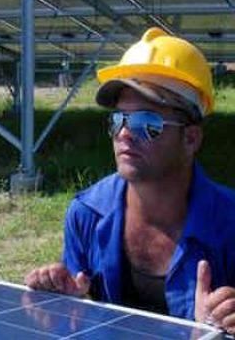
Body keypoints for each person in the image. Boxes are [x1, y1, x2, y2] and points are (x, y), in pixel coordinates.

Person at [25, 27, 235, 333]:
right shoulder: (86, 214)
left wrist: (221, 326)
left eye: (146, 123)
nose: (124, 133)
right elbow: (73, 319)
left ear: (190, 139)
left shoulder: (229, 224)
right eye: (118, 120)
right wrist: (63, 300)